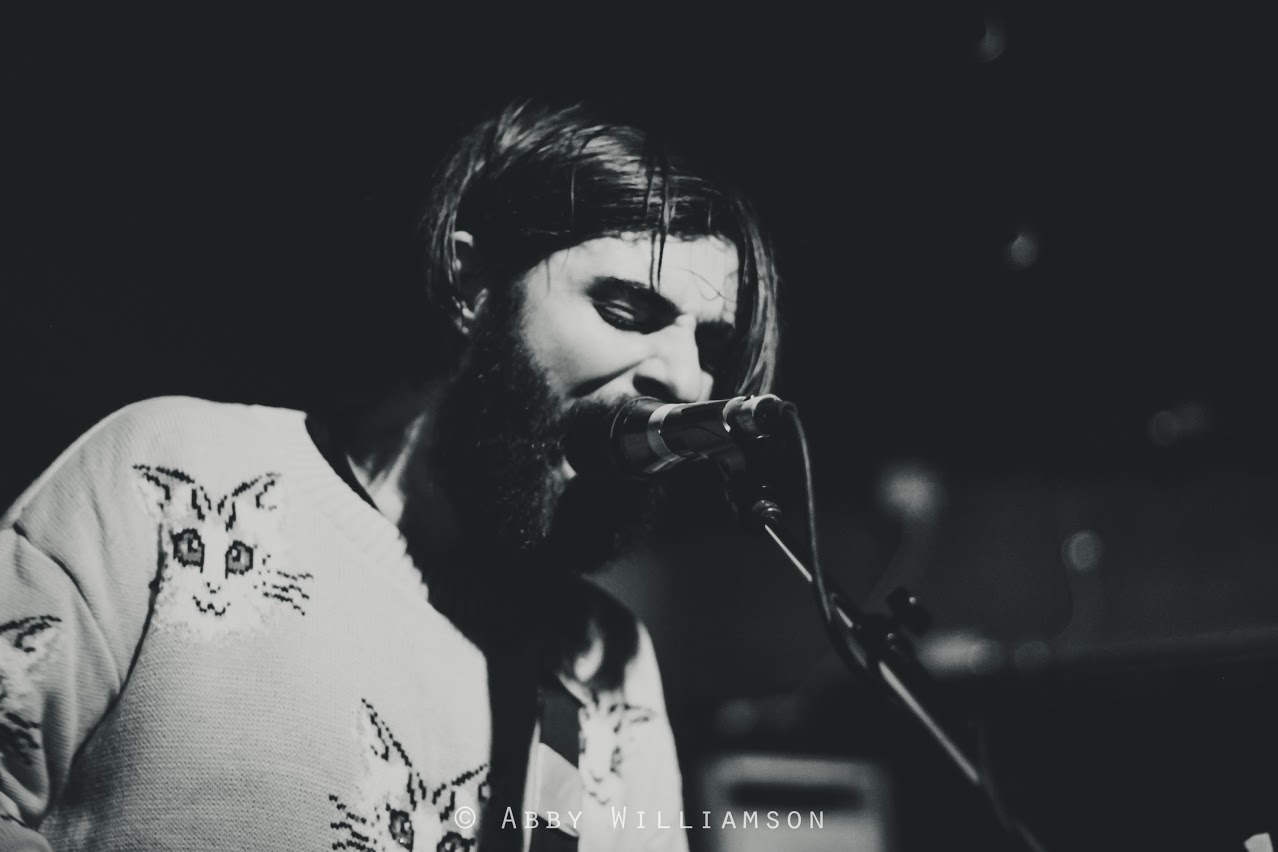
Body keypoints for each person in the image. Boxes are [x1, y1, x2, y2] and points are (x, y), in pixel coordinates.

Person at [0, 98, 780, 851]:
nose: (687, 380)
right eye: (627, 310)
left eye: (711, 347)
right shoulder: (175, 473)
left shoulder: (605, 662)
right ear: (471, 283)